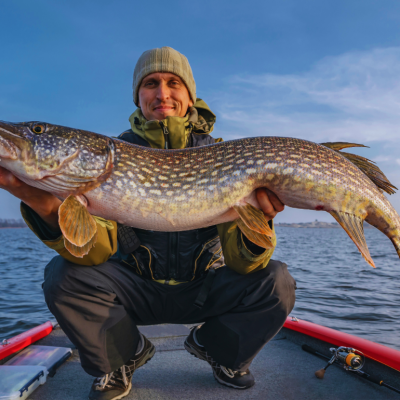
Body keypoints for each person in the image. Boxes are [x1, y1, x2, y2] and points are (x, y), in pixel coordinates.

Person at [0, 47, 296, 400]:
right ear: (138, 96)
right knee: (63, 276)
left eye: (173, 83)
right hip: (135, 289)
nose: (162, 93)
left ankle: (217, 350)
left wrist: (259, 218)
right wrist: (40, 201)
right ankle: (123, 356)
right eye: (151, 83)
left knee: (275, 281)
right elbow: (92, 255)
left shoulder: (228, 157)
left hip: (203, 288)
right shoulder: (111, 157)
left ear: (190, 96)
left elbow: (244, 263)